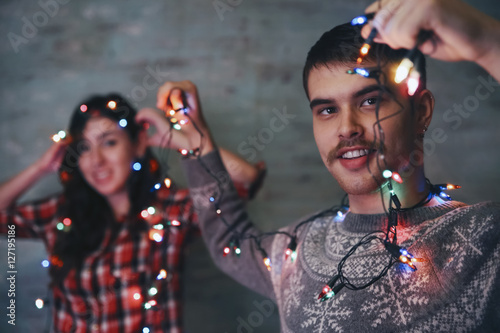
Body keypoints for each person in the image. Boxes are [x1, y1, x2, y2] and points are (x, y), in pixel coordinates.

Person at [172, 0, 500, 332]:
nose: (347, 128)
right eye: (327, 109)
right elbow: (228, 241)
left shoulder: (484, 239)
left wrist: (488, 42)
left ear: (422, 112)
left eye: (370, 101)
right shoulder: (296, 250)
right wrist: (194, 139)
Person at [0, 89, 265, 332]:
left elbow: (245, 180)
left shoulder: (170, 210)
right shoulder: (61, 214)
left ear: (138, 144)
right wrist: (40, 168)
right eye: (84, 148)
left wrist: (181, 139)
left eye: (109, 143)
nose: (96, 161)